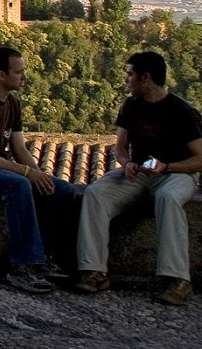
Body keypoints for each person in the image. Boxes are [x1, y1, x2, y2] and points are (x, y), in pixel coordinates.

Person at [77, 51, 202, 306]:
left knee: (168, 198)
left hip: (176, 173)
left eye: (130, 74)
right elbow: (121, 147)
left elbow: (200, 158)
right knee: (95, 193)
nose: (126, 80)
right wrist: (127, 163)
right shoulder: (131, 106)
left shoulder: (183, 112)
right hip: (140, 172)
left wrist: (167, 167)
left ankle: (178, 279)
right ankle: (95, 271)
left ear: (146, 78)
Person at [0, 47, 77, 294]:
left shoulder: (13, 103)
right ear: (0, 75)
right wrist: (27, 175)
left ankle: (47, 258)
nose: (24, 77)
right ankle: (24, 265)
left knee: (63, 191)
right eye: (19, 72)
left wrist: (39, 174)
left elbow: (19, 149)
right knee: (18, 185)